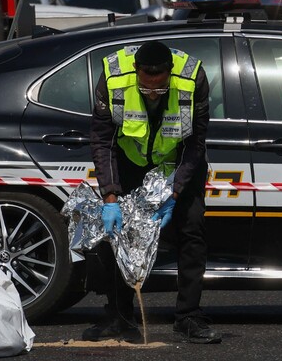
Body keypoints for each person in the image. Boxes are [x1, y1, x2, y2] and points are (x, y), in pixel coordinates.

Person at [84, 40, 221, 344]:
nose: (153, 94)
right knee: (118, 236)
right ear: (136, 72)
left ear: (170, 73)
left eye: (160, 89)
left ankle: (188, 317)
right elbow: (102, 140)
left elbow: (195, 142)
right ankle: (120, 318)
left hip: (178, 161)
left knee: (193, 231)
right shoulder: (112, 77)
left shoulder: (193, 78)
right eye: (146, 89)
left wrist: (174, 192)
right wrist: (110, 196)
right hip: (130, 160)